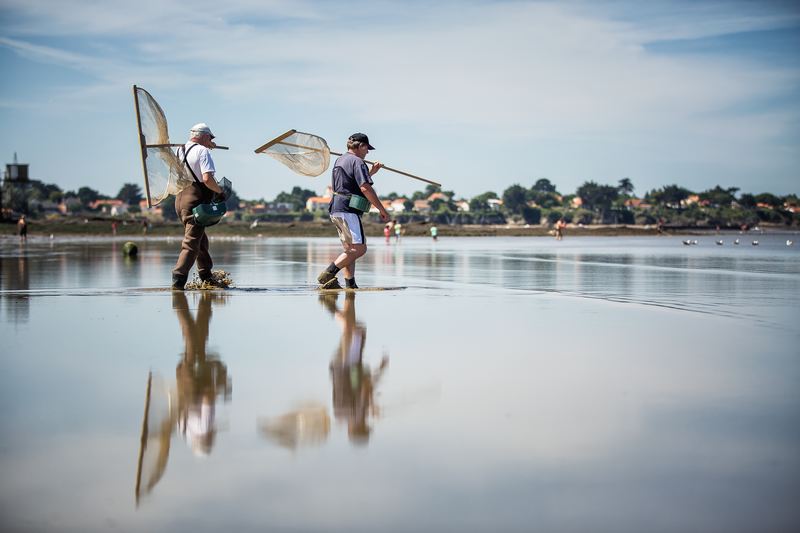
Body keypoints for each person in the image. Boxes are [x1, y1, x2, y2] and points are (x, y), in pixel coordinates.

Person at [317, 133, 391, 289]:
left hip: (336, 208)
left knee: (350, 250)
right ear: (361, 146)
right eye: (367, 148)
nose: (368, 152)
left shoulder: (340, 160)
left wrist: (371, 172)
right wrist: (381, 209)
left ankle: (350, 284)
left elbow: (352, 184)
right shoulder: (358, 162)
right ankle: (328, 273)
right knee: (360, 249)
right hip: (348, 209)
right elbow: (365, 188)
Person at [171, 123, 226, 290]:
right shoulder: (203, 151)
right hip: (195, 202)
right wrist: (220, 192)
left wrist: (209, 147)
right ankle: (178, 280)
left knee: (200, 240)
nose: (211, 140)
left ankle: (206, 276)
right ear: (203, 136)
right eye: (210, 137)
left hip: (180, 201)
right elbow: (207, 179)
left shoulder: (179, 150)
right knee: (191, 243)